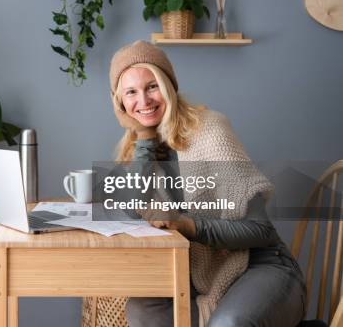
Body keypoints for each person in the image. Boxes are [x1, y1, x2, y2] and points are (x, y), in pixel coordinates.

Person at [108, 40, 306, 327]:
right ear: (121, 104)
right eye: (131, 92)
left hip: (260, 265)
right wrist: (144, 140)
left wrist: (188, 225)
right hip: (197, 275)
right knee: (141, 311)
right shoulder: (137, 149)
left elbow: (260, 231)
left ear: (169, 87)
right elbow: (130, 209)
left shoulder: (210, 130)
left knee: (229, 323)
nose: (144, 100)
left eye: (152, 86)